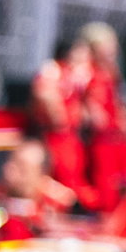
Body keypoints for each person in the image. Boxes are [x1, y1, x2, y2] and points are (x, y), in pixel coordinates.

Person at [79, 21, 126, 212]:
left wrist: (124, 115)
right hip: (102, 140)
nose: (111, 50)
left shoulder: (110, 71)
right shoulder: (85, 70)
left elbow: (115, 100)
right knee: (106, 185)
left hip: (117, 138)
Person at [0, 138, 79, 242]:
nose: (10, 170)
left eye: (22, 168)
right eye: (11, 162)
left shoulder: (55, 202)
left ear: (41, 175)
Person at [28, 38, 91, 196]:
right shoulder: (53, 70)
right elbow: (44, 94)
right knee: (62, 173)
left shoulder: (74, 73)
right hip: (54, 135)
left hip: (70, 135)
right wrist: (58, 115)